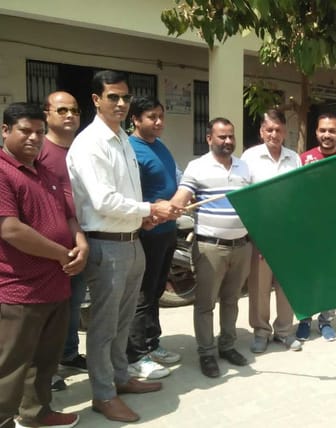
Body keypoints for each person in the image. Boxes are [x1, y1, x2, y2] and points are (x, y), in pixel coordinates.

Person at [66, 70, 179, 423]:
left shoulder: (122, 141)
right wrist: (149, 209)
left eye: (124, 97)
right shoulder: (90, 143)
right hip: (106, 246)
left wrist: (142, 218)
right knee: (103, 327)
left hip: (132, 241)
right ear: (96, 100)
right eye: (112, 97)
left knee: (123, 321)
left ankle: (120, 377)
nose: (120, 103)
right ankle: (103, 395)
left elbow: (127, 194)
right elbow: (102, 200)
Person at [0, 102, 88, 428]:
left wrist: (81, 243)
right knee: (11, 365)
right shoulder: (3, 172)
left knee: (45, 360)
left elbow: (68, 216)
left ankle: (37, 413)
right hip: (20, 289)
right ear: (5, 130)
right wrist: (61, 253)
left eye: (39, 132)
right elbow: (10, 229)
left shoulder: (46, 172)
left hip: (56, 284)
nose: (34, 138)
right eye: (25, 131)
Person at [170, 117, 252, 378]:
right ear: (209, 138)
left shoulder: (244, 167)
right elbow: (182, 196)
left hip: (242, 246)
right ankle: (206, 352)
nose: (228, 141)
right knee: (205, 304)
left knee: (231, 300)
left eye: (231, 136)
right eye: (222, 136)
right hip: (210, 248)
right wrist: (173, 206)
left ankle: (227, 345)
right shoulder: (197, 167)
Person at [126, 97, 181, 381]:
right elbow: (128, 194)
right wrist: (149, 212)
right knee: (143, 294)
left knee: (157, 291)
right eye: (151, 117)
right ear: (135, 119)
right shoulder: (130, 149)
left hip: (166, 231)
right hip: (146, 233)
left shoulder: (159, 145)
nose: (158, 122)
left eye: (161, 116)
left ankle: (152, 342)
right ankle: (135, 355)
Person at [241, 109, 303, 354]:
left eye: (278, 130)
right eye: (269, 130)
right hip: (261, 233)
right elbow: (245, 197)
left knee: (286, 284)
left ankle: (285, 331)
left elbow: (297, 194)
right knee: (259, 286)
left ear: (285, 132)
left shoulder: (293, 158)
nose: (274, 134)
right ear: (261, 131)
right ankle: (261, 332)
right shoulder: (250, 157)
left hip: (288, 233)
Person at [38, 91, 88, 392]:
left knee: (73, 304)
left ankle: (68, 354)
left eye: (75, 110)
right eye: (62, 110)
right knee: (50, 310)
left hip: (81, 240)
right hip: (50, 246)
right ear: (47, 114)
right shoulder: (39, 151)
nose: (70, 115)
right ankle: (48, 367)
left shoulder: (82, 150)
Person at [294, 113, 336, 342]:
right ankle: (304, 319)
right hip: (309, 231)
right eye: (323, 130)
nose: (327, 135)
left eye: (332, 131)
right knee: (307, 276)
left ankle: (326, 320)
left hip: (335, 231)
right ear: (316, 132)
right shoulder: (303, 159)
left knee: (331, 277)